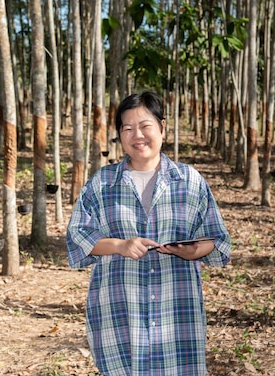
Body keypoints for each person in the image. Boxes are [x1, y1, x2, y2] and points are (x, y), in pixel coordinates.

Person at [66, 91, 231, 376]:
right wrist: (119, 245)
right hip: (119, 310)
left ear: (162, 127)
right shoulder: (102, 183)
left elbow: (217, 239)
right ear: (119, 134)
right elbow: (78, 236)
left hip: (176, 311)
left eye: (145, 126)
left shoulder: (189, 181)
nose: (137, 135)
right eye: (127, 128)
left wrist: (194, 251)